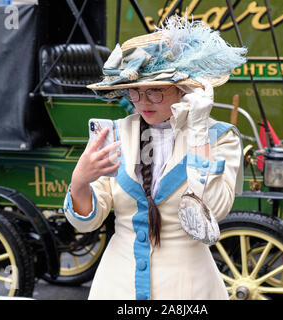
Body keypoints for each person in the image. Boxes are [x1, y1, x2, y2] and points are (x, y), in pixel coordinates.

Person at [64, 16, 247, 300]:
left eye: (155, 92)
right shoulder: (114, 133)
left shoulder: (220, 138)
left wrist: (198, 132)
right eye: (134, 92)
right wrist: (80, 182)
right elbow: (87, 223)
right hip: (117, 286)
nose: (142, 103)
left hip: (188, 290)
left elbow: (214, 210)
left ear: (184, 88)